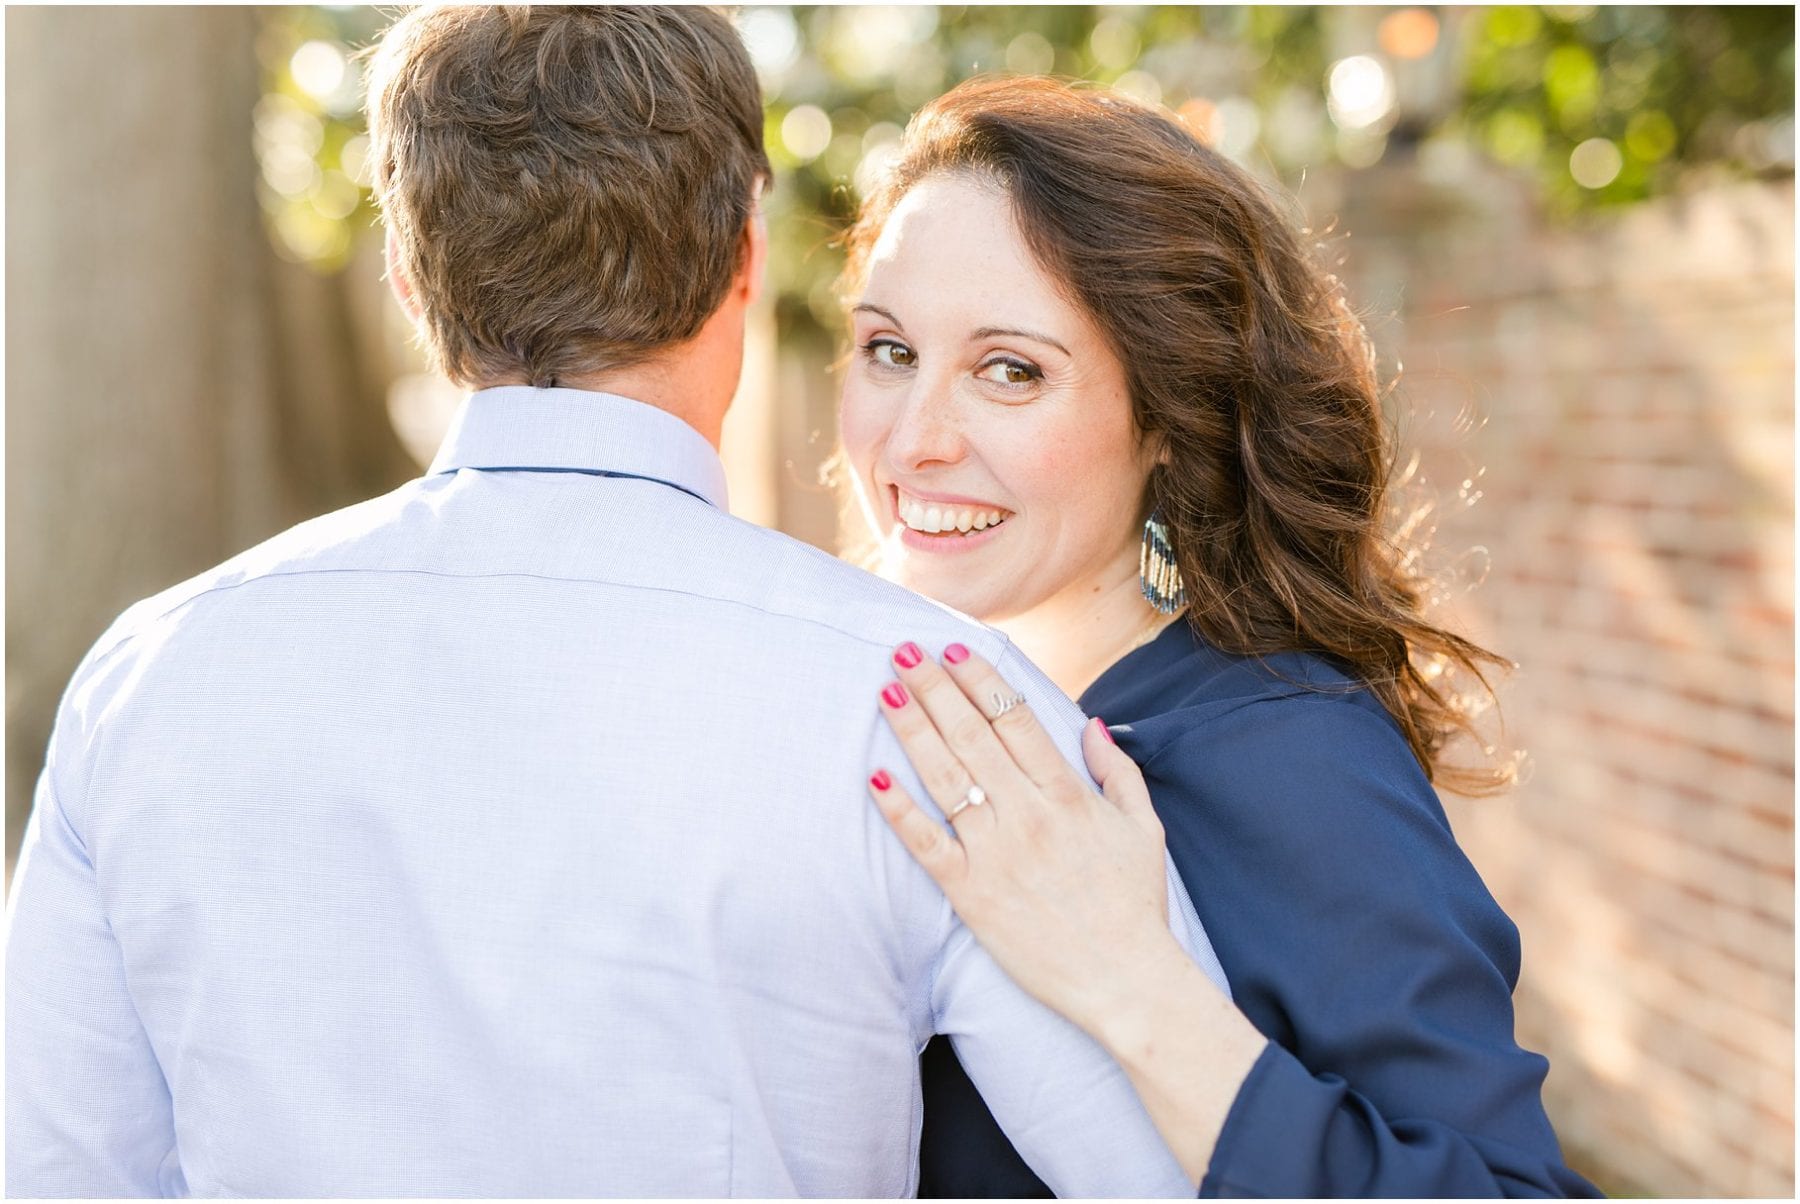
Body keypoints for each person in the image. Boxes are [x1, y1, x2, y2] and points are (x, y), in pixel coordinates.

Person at [4, 13, 1229, 1197]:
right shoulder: (933, 706)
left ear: (405, 270)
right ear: (747, 249)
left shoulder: (150, 678)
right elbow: (1175, 1173)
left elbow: (56, 1169)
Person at [835, 77, 1602, 1197]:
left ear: (1166, 417)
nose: (913, 439)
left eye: (1011, 370)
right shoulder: (874, 718)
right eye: (889, 350)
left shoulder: (1291, 759)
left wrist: (1132, 983)